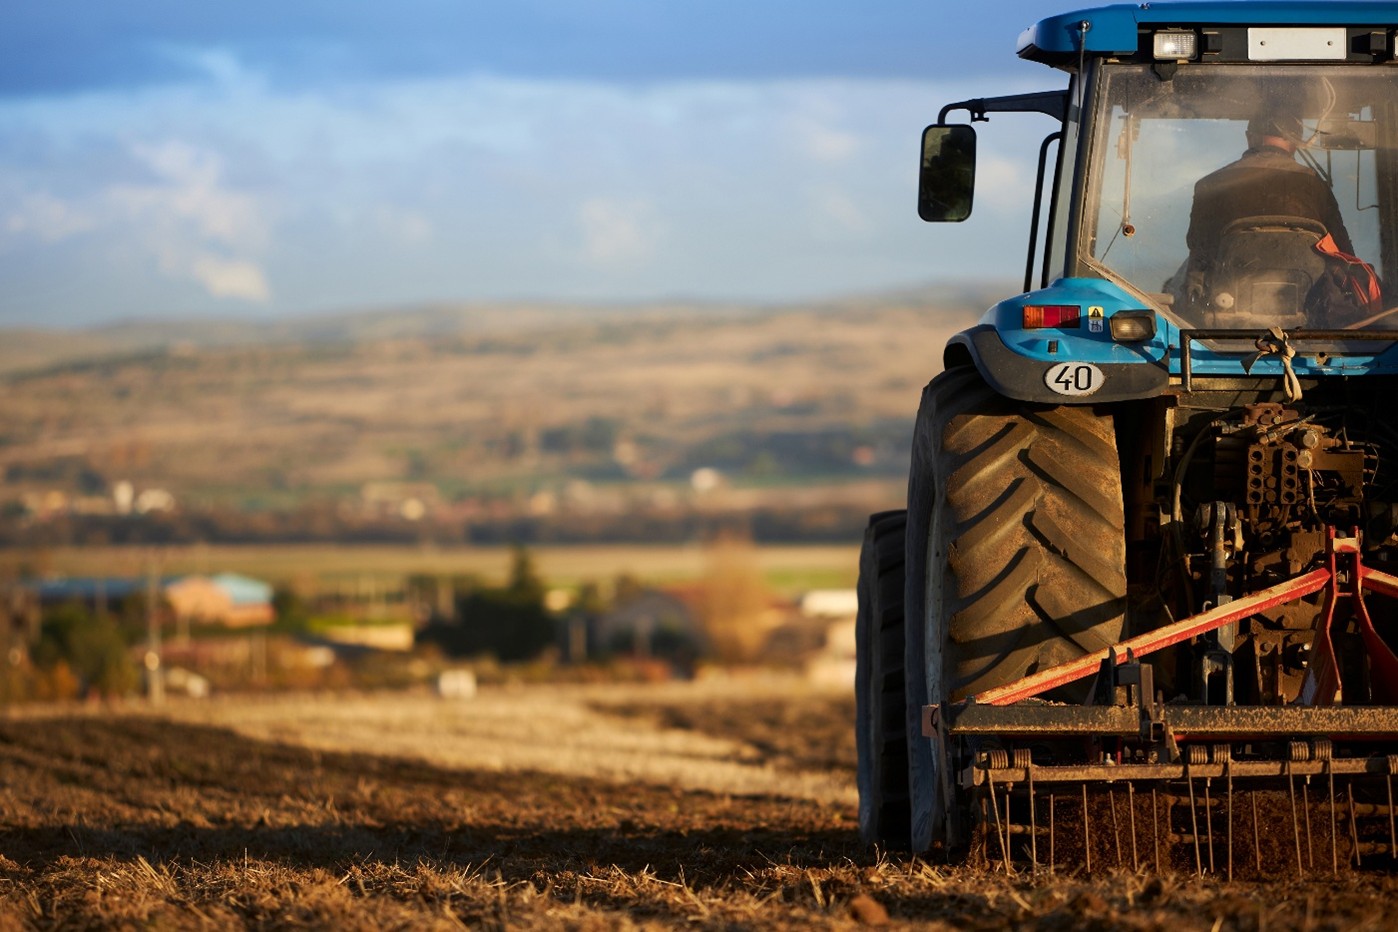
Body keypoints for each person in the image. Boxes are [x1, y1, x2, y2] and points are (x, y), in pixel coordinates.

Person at [1184, 114, 1355, 307]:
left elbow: (1199, 248)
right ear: (1295, 141)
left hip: (1227, 308)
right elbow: (1344, 253)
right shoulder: (1317, 186)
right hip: (1312, 310)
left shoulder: (1210, 185)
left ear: (1249, 137)